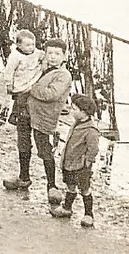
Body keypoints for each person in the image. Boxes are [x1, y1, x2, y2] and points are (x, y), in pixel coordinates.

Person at [3, 38, 72, 202]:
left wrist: (29, 88)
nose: (53, 57)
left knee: (44, 149)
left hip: (44, 116)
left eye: (57, 54)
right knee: (23, 143)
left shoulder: (63, 75)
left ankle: (52, 186)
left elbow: (51, 94)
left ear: (64, 56)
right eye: (50, 53)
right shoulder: (41, 67)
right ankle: (24, 177)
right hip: (25, 111)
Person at [51, 93, 100, 228]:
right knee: (70, 186)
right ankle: (67, 208)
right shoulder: (76, 124)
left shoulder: (91, 130)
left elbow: (93, 149)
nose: (71, 111)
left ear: (83, 112)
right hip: (69, 163)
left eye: (74, 109)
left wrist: (87, 163)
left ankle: (89, 214)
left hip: (81, 166)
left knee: (85, 189)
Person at [0, 29, 44, 125]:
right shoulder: (15, 56)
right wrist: (9, 84)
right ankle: (14, 115)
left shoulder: (36, 52)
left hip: (32, 80)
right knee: (20, 100)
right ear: (18, 45)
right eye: (28, 45)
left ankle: (24, 115)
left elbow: (44, 56)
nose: (31, 48)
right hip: (19, 82)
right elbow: (9, 71)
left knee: (27, 99)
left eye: (33, 44)